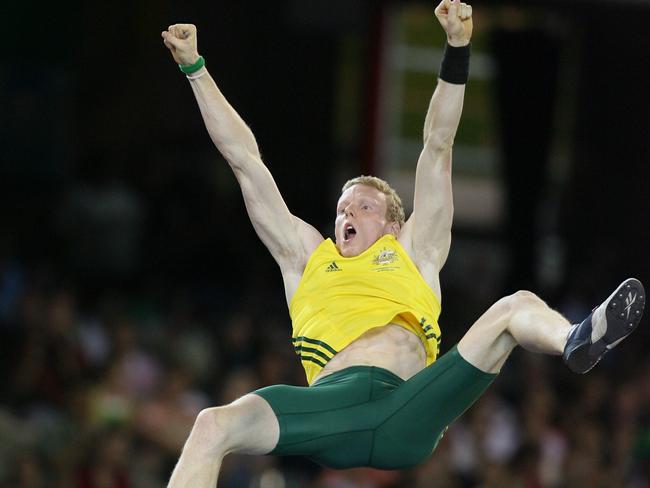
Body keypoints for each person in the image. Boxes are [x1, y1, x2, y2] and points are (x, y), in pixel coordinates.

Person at [160, 1, 646, 486]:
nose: (347, 212)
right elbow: (244, 160)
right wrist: (195, 69)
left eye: (363, 205)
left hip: (410, 408)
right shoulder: (306, 256)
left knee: (514, 308)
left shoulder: (415, 250)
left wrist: (457, 48)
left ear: (394, 223)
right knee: (211, 424)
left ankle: (577, 340)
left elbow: (438, 144)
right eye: (342, 207)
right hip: (334, 413)